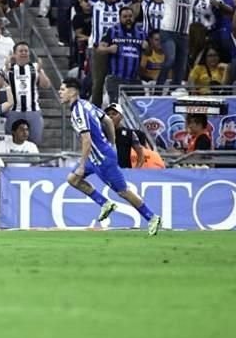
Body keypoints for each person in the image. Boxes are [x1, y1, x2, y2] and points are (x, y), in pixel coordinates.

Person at [58, 78, 161, 235]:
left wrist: (81, 165)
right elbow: (106, 120)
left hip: (102, 160)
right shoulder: (86, 105)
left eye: (63, 89)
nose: (60, 92)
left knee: (123, 191)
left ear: (73, 91)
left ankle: (152, 217)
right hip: (96, 157)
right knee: (72, 179)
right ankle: (105, 203)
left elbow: (87, 139)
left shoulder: (78, 111)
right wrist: (111, 143)